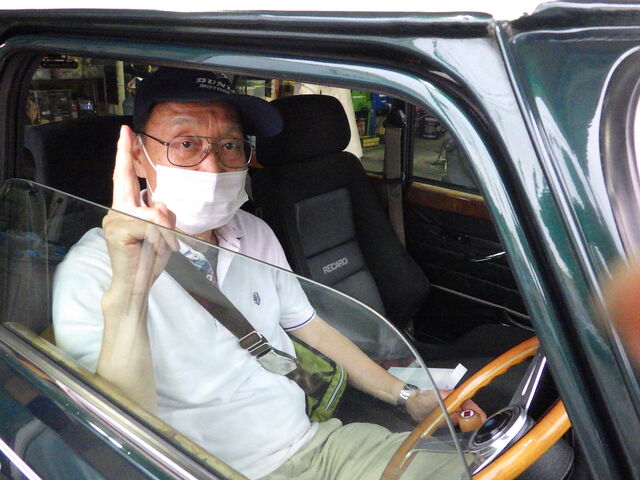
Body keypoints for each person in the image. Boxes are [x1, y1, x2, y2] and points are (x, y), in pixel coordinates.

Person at [52, 67, 485, 480]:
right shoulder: (93, 270)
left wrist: (407, 397)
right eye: (186, 143)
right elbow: (122, 437)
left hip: (320, 445)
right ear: (137, 156)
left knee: (489, 467)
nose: (212, 167)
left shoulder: (253, 232)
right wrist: (131, 291)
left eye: (229, 145)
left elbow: (312, 328)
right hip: (207, 470)